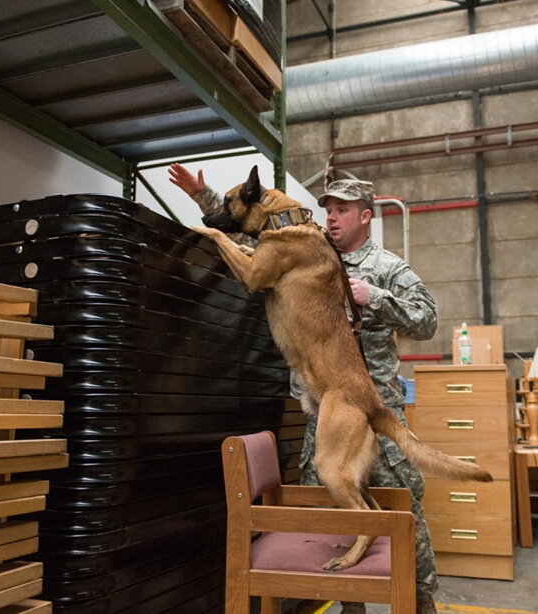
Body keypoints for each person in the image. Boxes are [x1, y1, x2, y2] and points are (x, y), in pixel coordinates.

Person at [169, 163, 440, 614]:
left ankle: (420, 602)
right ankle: (350, 605)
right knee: (332, 518)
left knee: (405, 520)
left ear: (366, 216)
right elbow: (242, 222)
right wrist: (202, 195)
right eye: (328, 208)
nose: (332, 217)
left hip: (374, 406)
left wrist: (374, 297)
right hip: (323, 408)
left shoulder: (387, 268)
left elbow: (428, 320)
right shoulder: (302, 242)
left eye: (343, 210)